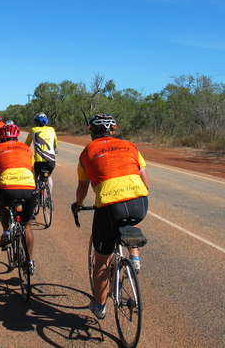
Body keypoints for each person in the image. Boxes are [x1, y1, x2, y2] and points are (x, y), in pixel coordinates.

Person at [71, 114, 150, 320]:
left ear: (91, 132)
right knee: (131, 221)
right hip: (140, 202)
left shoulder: (86, 152)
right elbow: (146, 182)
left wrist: (78, 205)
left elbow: (82, 188)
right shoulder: (131, 146)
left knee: (102, 261)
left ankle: (100, 305)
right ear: (113, 130)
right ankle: (134, 258)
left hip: (109, 206)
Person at [0, 124, 37, 275]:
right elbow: (31, 170)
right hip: (28, 188)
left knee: (1, 206)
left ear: (1, 138)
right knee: (27, 226)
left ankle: (6, 231)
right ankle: (30, 262)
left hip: (7, 188)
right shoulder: (27, 149)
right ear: (17, 137)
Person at [25, 112, 58, 204]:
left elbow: (27, 145)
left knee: (36, 176)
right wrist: (53, 151)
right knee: (49, 176)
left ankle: (36, 194)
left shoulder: (33, 130)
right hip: (51, 160)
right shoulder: (52, 129)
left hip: (38, 160)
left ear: (36, 122)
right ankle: (49, 198)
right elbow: (55, 143)